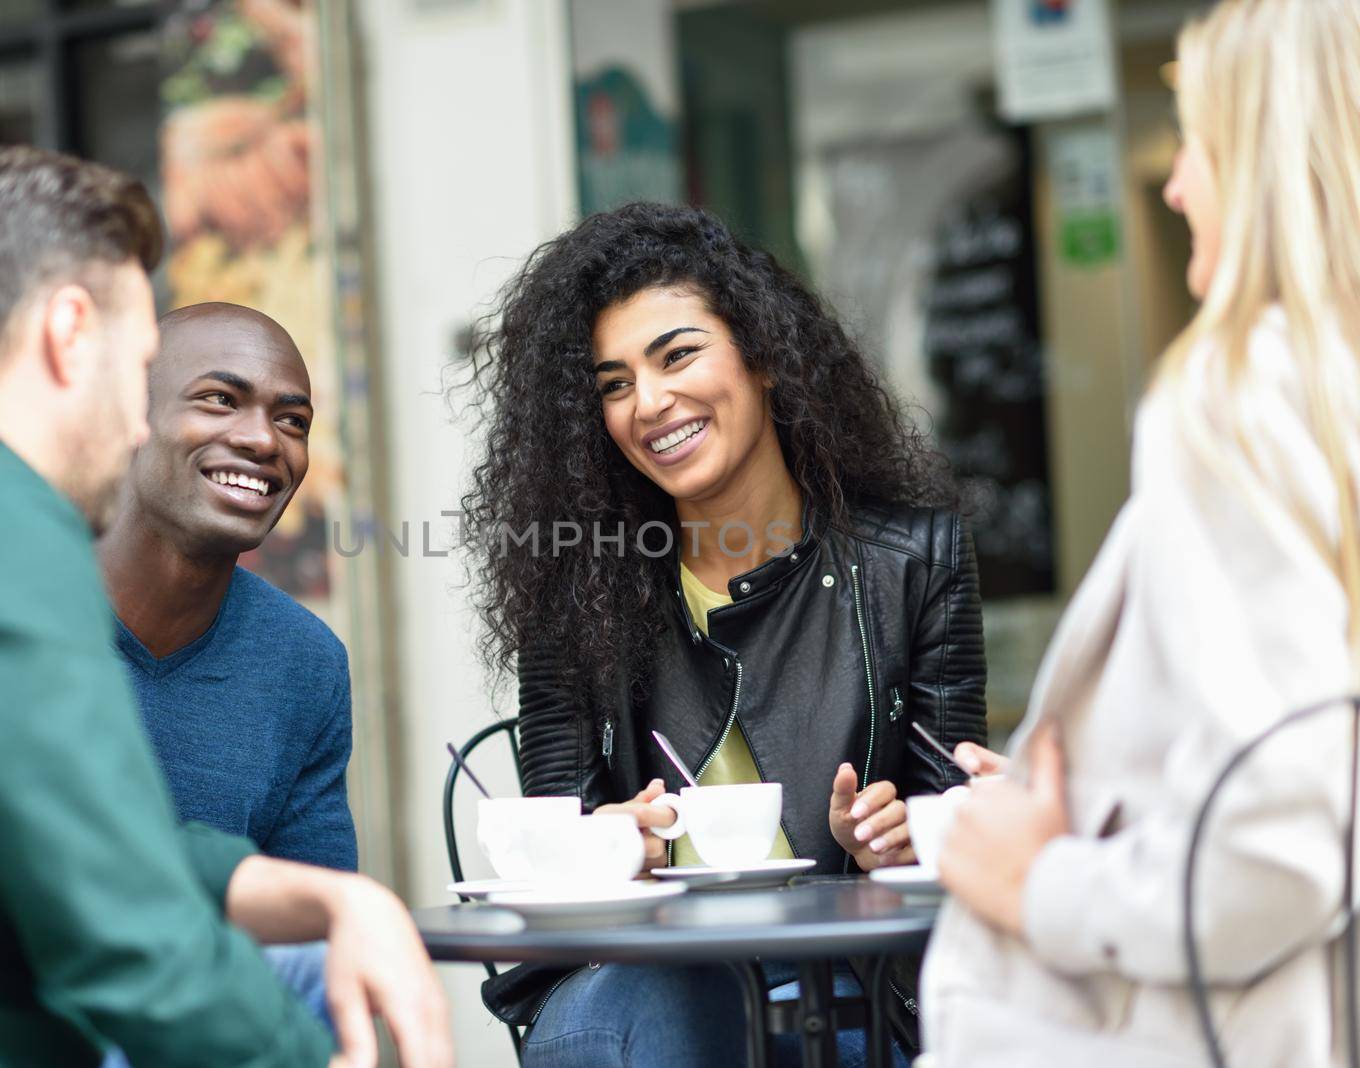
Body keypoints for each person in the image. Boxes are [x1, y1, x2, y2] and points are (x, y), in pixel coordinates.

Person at [0, 144, 450, 1068]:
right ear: (69, 333)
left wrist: (316, 895)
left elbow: (65, 830)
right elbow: (127, 940)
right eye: (138, 370)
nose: (134, 423)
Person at [921, 2, 1360, 1065]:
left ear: (1263, 163)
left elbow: (1274, 850)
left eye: (1198, 143)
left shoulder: (1238, 400)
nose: (1175, 185)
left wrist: (1039, 881)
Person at [460, 201, 988, 1067]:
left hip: (855, 980)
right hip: (640, 973)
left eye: (678, 357)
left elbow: (957, 828)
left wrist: (887, 842)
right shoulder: (574, 589)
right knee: (677, 1004)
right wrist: (609, 845)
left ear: (767, 359)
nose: (650, 403)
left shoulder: (912, 561)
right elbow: (556, 842)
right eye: (615, 384)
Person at [100, 302, 357, 873]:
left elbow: (311, 911)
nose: (264, 440)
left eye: (292, 421)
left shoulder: (304, 662)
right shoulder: (5, 612)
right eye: (220, 399)